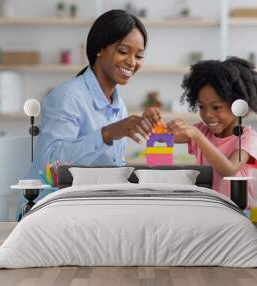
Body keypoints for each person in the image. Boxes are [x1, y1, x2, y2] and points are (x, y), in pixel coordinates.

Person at [18, 10, 159, 219]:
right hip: (52, 209)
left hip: (92, 205)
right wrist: (107, 133)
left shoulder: (118, 106)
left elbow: (112, 166)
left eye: (138, 56)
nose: (131, 62)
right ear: (100, 48)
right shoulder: (67, 96)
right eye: (123, 51)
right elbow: (51, 163)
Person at [166, 57, 257, 207]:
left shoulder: (247, 137)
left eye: (216, 107)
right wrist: (153, 124)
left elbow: (229, 170)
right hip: (209, 208)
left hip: (239, 211)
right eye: (201, 107)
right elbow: (163, 137)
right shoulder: (202, 131)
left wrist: (197, 135)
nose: (207, 115)